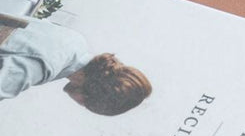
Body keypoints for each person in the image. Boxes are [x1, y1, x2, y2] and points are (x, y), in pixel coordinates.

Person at [0, 16, 151, 115]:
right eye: (86, 105)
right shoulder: (45, 67)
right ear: (90, 95)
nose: (80, 104)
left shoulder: (76, 40)